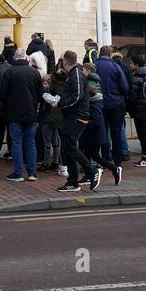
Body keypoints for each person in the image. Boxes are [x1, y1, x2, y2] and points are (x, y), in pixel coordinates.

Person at [56, 49, 100, 191]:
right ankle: (73, 181)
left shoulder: (76, 74)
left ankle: (91, 170)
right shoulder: (73, 74)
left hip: (77, 116)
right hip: (74, 115)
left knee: (70, 147)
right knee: (69, 148)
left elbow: (77, 96)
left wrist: (60, 104)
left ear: (65, 61)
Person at [0, 49, 42, 182]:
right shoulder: (35, 72)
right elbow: (40, 94)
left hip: (14, 113)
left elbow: (3, 94)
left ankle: (18, 173)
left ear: (14, 58)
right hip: (30, 112)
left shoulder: (10, 72)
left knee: (17, 143)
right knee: (30, 143)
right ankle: (32, 173)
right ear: (26, 57)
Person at [94, 45, 130, 165]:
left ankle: (105, 158)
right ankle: (118, 160)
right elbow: (125, 87)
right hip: (115, 103)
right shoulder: (115, 66)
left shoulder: (94, 66)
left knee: (102, 132)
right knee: (116, 132)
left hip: (99, 104)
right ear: (110, 55)